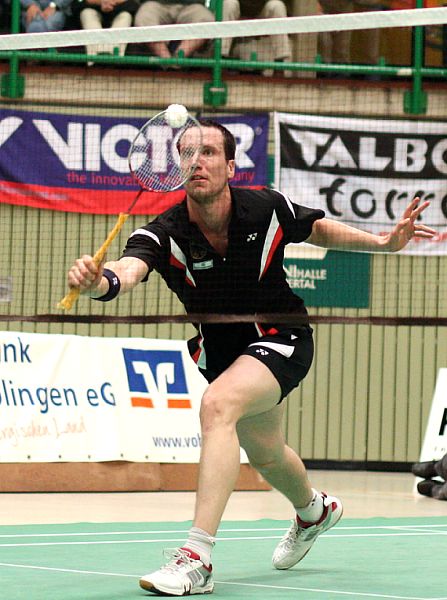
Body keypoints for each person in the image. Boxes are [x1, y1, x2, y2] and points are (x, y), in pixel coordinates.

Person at [66, 120, 435, 596]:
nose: (197, 162)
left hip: (281, 337)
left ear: (230, 165)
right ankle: (314, 510)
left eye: (209, 154)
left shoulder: (265, 206)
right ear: (178, 168)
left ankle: (196, 559)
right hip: (221, 353)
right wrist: (97, 282)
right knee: (265, 454)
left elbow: (316, 229)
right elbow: (126, 271)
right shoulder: (164, 233)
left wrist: (383, 242)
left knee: (218, 406)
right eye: (187, 155)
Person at [221, 0, 292, 76]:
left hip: (262, 10)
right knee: (228, 3)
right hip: (239, 10)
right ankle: (221, 61)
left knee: (277, 5)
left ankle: (279, 64)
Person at [133, 0, 214, 61]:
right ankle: (167, 61)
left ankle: (178, 59)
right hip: (156, 4)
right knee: (144, 18)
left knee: (207, 20)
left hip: (192, 5)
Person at [318, 1, 383, 74]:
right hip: (322, 8)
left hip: (345, 8)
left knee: (342, 47)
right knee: (325, 43)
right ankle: (325, 74)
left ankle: (342, 75)